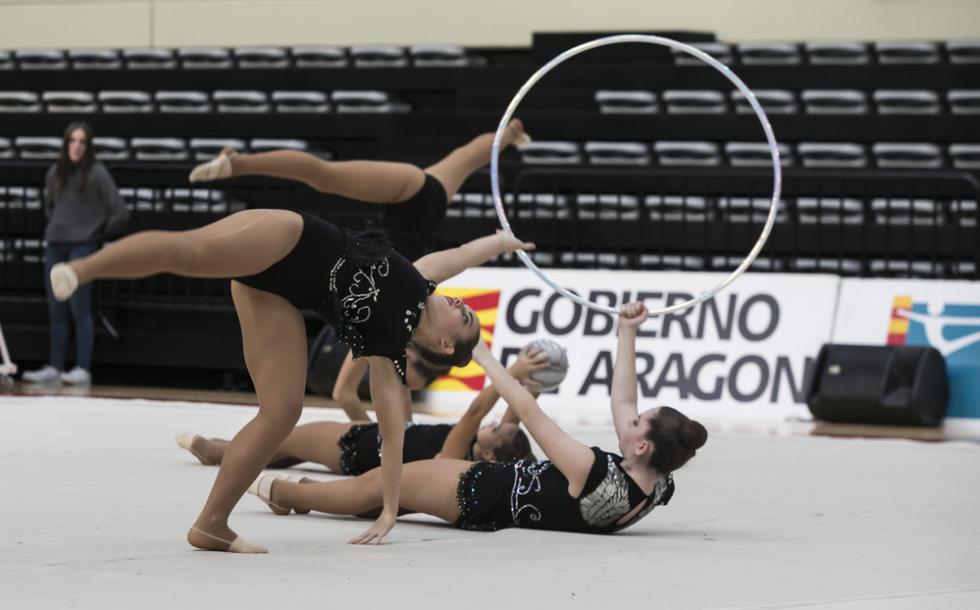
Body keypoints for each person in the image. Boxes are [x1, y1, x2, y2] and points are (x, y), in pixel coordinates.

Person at [48, 185, 535, 554]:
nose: (458, 302)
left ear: (447, 341)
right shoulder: (421, 280)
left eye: (464, 314)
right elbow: (463, 255)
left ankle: (211, 524)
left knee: (281, 410)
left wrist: (389, 509)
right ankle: (83, 270)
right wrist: (500, 241)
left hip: (276, 294)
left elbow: (393, 440)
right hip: (289, 239)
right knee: (189, 253)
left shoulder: (387, 358)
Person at [248, 303, 708, 536]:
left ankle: (287, 493)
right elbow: (624, 400)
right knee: (390, 492)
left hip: (477, 490)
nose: (627, 419)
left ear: (642, 445)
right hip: (489, 496)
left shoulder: (594, 472)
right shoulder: (657, 485)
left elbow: (529, 412)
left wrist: (483, 353)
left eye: (637, 423)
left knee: (379, 487)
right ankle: (306, 494)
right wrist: (627, 333)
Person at [191, 119, 531, 421]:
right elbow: (463, 255)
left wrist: (373, 437)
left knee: (466, 156)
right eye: (407, 375)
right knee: (327, 175)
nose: (399, 379)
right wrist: (502, 242)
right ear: (420, 354)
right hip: (416, 198)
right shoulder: (404, 319)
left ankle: (512, 133)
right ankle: (238, 163)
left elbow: (347, 394)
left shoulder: (382, 332)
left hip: (405, 215)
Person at [175, 346, 549, 472]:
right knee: (284, 452)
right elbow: (515, 418)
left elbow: (474, 414)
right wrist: (531, 383)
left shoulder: (457, 453)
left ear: (485, 451)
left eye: (496, 428)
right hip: (385, 441)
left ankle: (215, 451)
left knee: (282, 440)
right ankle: (226, 451)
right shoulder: (481, 455)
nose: (499, 422)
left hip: (360, 447)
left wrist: (509, 372)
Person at [22, 121, 128, 387]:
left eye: (82, 141)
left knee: (79, 306)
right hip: (56, 243)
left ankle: (82, 368)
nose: (76, 146)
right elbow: (50, 207)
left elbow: (120, 212)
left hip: (83, 245)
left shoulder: (97, 173)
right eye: (72, 140)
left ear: (88, 146)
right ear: (65, 144)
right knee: (56, 306)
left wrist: (96, 232)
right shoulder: (54, 173)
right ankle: (55, 366)